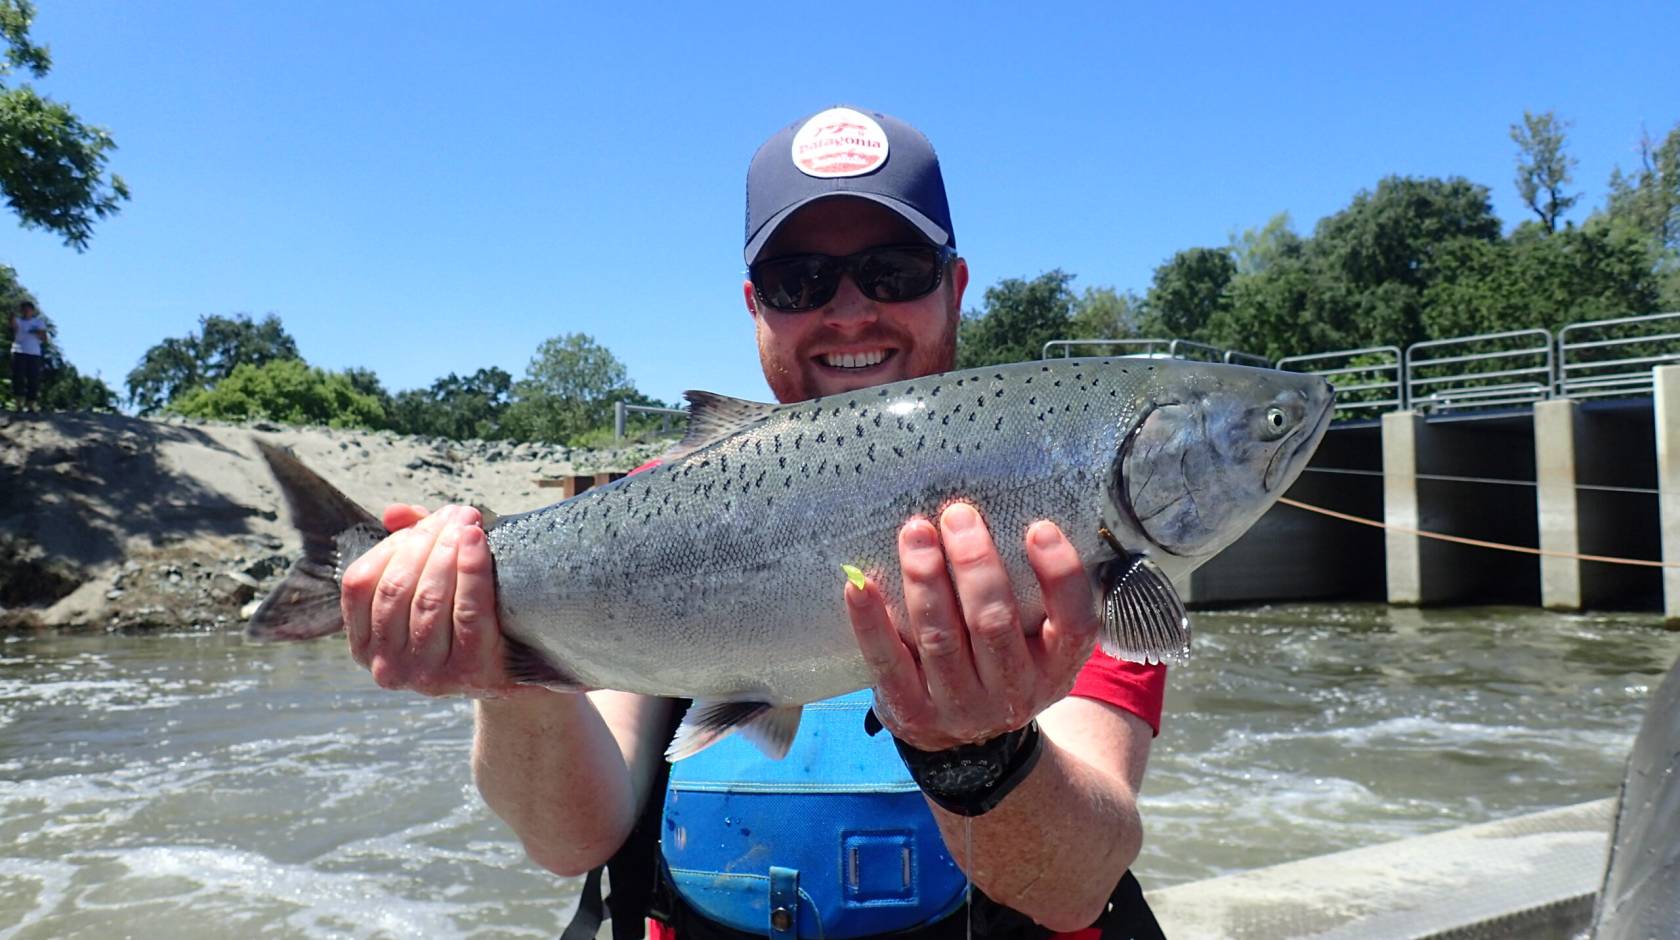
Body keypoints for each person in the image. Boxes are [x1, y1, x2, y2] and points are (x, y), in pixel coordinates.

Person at [340, 106, 1168, 939]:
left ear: (951, 287)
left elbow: (1076, 886)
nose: (849, 312)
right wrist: (504, 675)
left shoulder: (1051, 507)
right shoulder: (650, 516)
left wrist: (980, 756)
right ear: (756, 307)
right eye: (800, 281)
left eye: (894, 268)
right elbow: (570, 841)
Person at [10, 299, 48, 410]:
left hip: (34, 352)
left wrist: (36, 332)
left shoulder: (38, 322)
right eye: (24, 309)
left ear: (32, 311)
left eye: (28, 309)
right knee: (18, 377)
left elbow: (44, 337)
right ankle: (18, 403)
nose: (26, 312)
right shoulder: (18, 321)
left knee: (33, 379)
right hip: (19, 351)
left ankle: (31, 403)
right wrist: (11, 318)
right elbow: (14, 327)